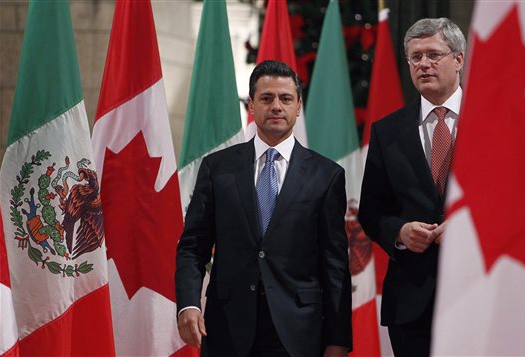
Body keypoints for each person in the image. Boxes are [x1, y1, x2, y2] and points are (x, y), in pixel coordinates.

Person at [175, 60, 352, 357]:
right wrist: (188, 304)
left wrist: (338, 340)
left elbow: (334, 264)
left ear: (298, 107)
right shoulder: (218, 168)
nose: (276, 106)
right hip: (227, 326)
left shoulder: (326, 175)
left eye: (285, 99)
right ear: (252, 107)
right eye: (266, 98)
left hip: (297, 330)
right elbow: (193, 246)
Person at [358, 17, 465, 356]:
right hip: (411, 302)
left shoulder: (493, 120)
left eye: (434, 55)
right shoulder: (387, 131)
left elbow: (516, 198)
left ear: (458, 59)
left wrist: (467, 225)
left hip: (480, 288)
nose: (424, 64)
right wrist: (400, 232)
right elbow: (371, 210)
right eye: (415, 57)